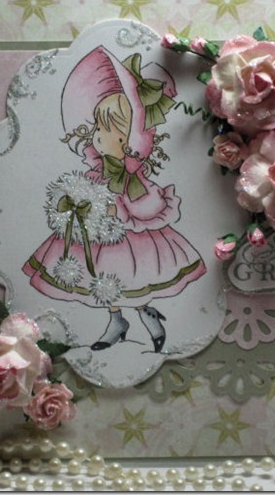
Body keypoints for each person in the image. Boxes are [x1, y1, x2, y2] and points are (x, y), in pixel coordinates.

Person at [22, 46, 206, 353]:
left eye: (107, 130)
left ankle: (147, 315)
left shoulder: (131, 176)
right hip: (98, 238)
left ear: (129, 137)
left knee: (133, 279)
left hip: (130, 240)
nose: (97, 136)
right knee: (103, 281)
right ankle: (116, 321)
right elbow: (86, 192)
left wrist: (116, 208)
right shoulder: (97, 171)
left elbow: (148, 205)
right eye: (97, 127)